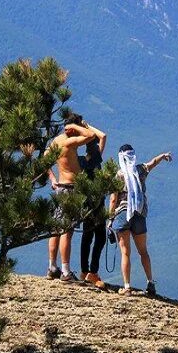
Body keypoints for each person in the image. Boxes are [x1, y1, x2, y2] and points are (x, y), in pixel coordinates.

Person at [108, 144, 172, 296]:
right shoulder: (140, 170)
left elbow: (113, 199)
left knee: (125, 252)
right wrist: (163, 156)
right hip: (139, 213)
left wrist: (109, 220)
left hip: (122, 213)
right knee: (143, 252)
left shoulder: (118, 176)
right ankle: (150, 282)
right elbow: (152, 163)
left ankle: (127, 286)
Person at [46, 114, 96, 282]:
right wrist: (80, 127)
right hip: (70, 188)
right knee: (67, 230)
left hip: (60, 186)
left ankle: (52, 267)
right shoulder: (69, 141)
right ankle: (66, 271)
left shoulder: (56, 141)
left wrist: (52, 179)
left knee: (56, 228)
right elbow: (91, 136)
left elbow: (45, 159)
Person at [78, 123, 108, 289]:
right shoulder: (96, 159)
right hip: (97, 202)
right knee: (100, 237)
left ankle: (84, 271)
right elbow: (103, 135)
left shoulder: (80, 161)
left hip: (85, 201)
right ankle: (93, 272)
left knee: (87, 237)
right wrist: (86, 126)